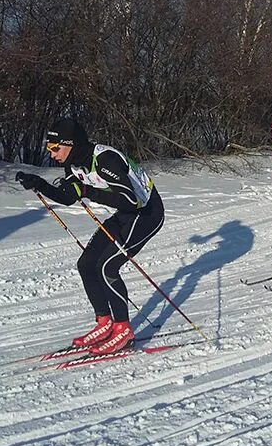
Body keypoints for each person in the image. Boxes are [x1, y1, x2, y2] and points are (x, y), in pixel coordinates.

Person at [15, 118, 164, 355]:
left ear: (71, 144)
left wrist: (87, 191)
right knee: (86, 264)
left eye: (55, 148)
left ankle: (123, 329)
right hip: (125, 214)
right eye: (48, 149)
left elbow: (130, 200)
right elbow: (69, 196)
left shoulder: (104, 159)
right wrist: (40, 184)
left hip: (147, 213)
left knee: (107, 266)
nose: (52, 154)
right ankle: (105, 323)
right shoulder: (73, 164)